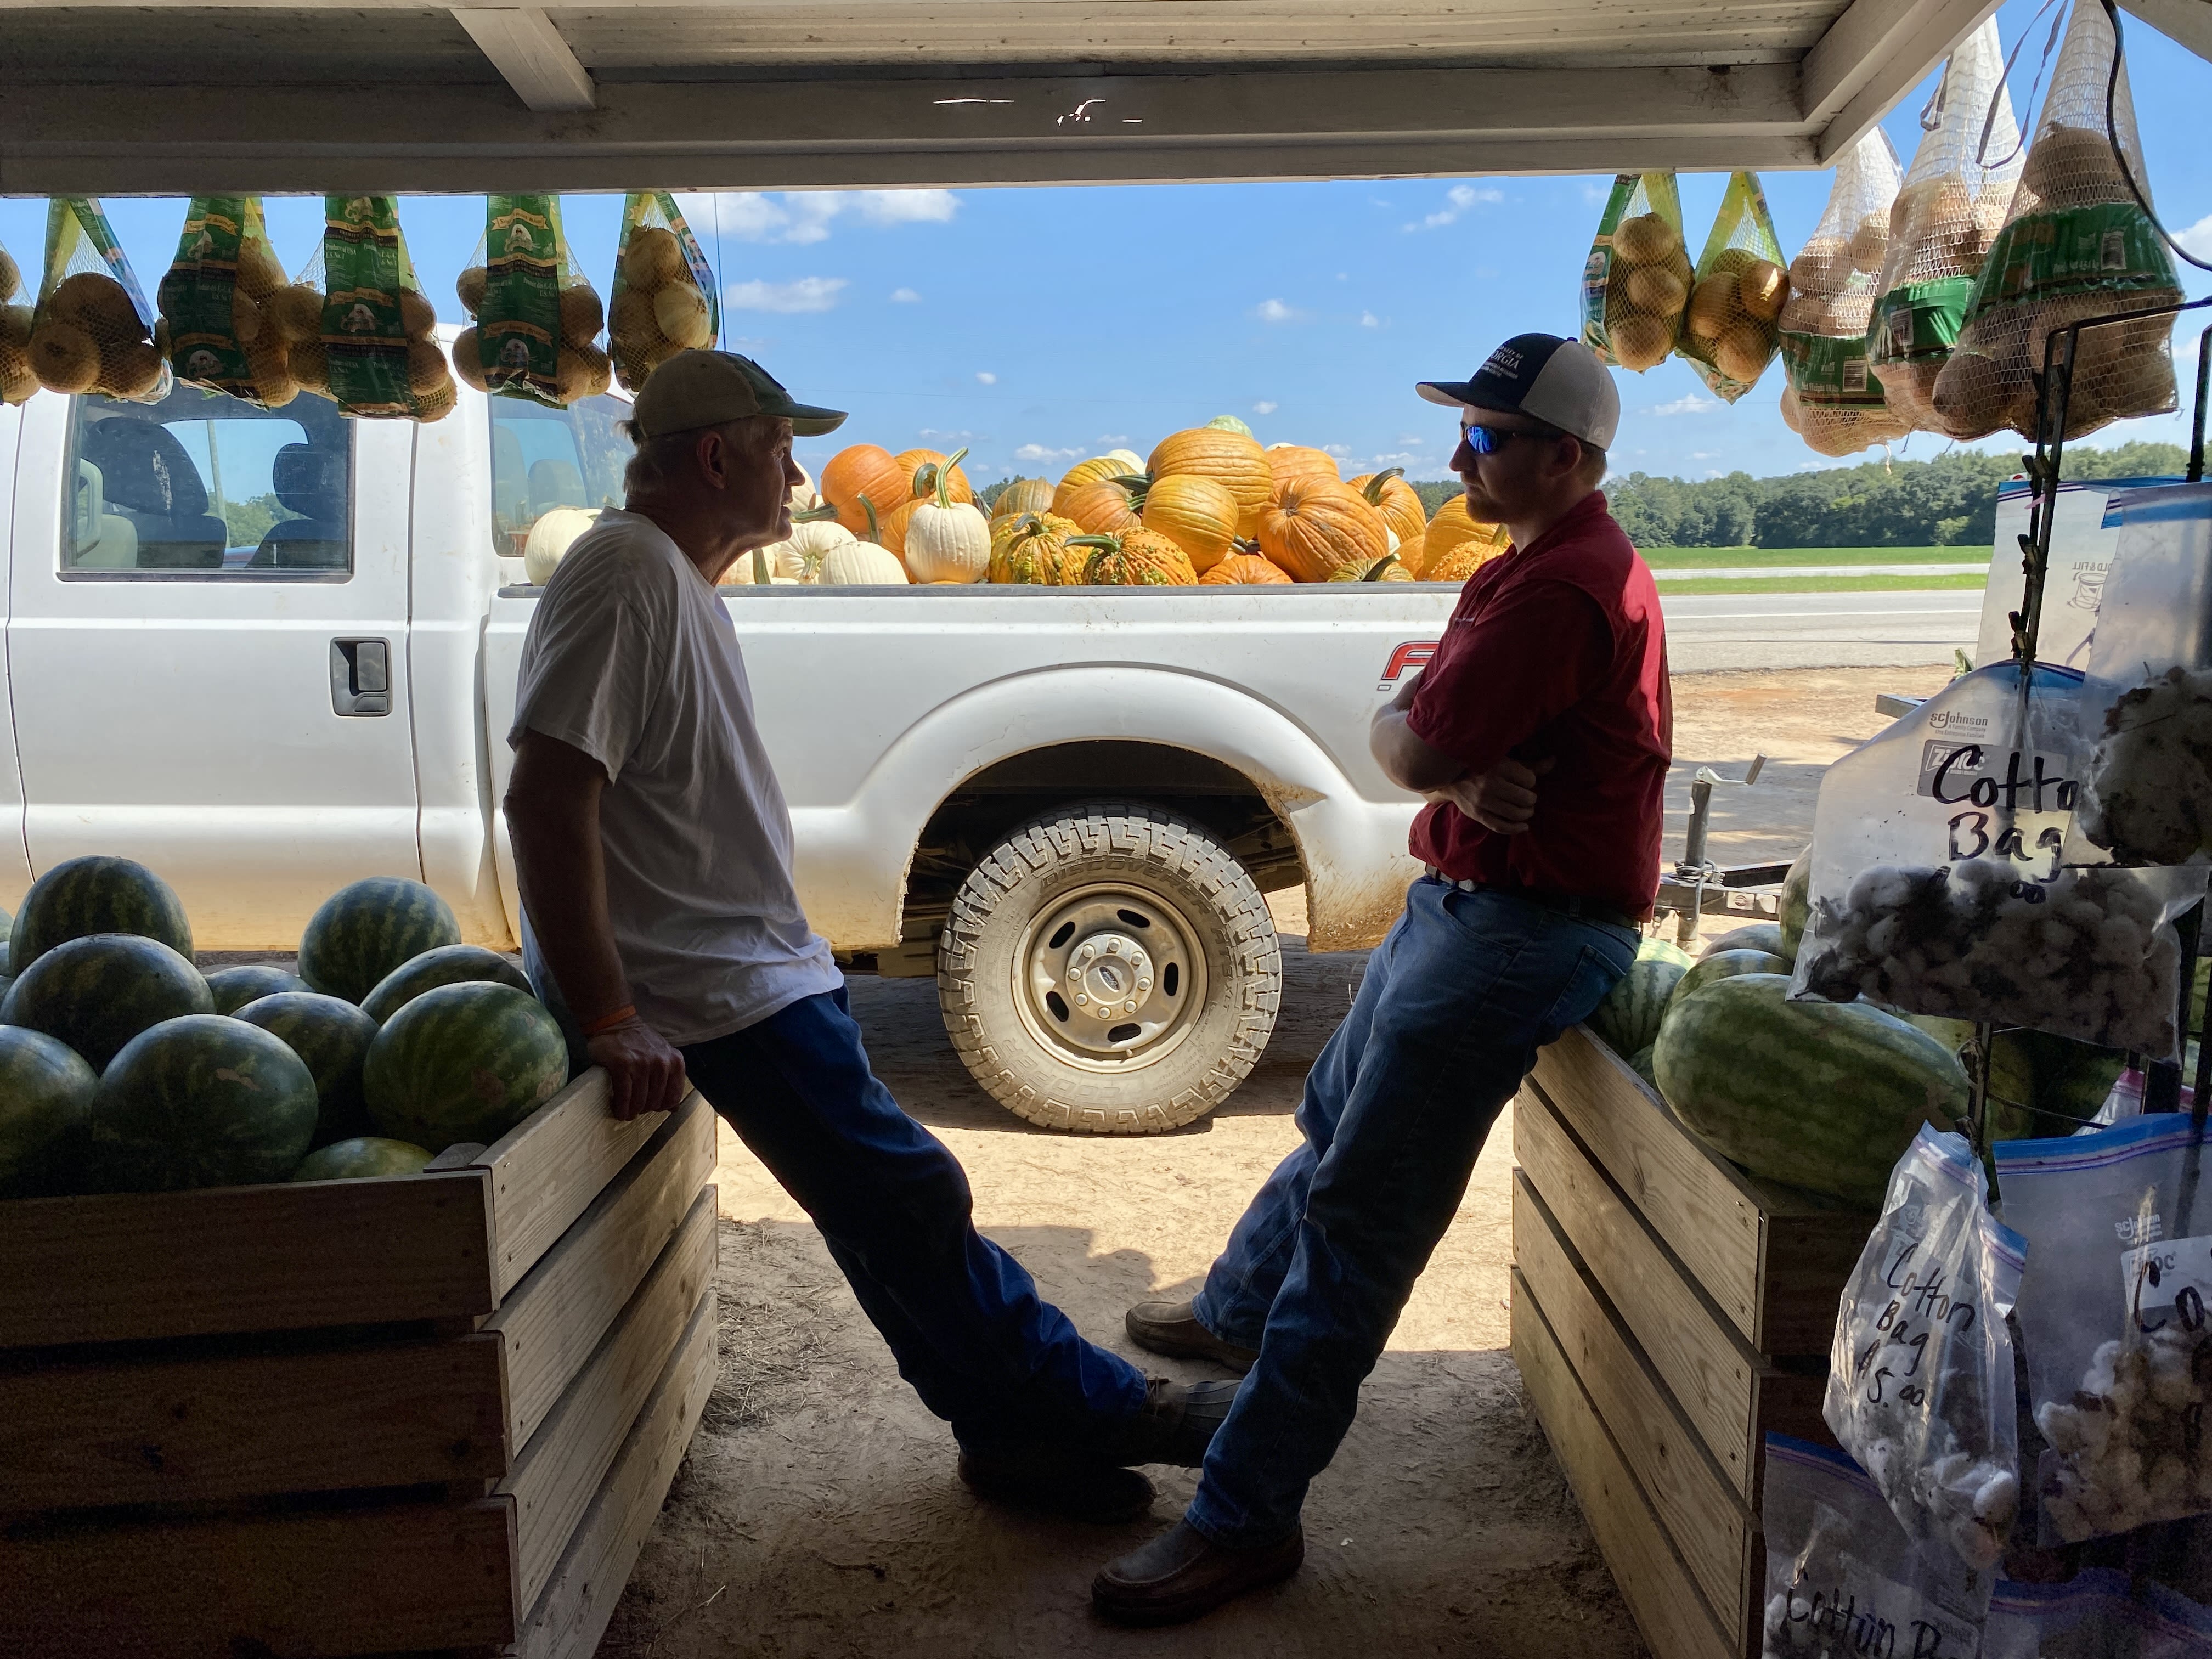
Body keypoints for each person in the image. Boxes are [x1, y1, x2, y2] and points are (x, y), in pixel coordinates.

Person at [501, 349, 1234, 1525]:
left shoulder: (671, 576)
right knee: (907, 1197)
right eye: (782, 449)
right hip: (710, 987)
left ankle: (1012, 1442)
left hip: (746, 969)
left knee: (888, 1216)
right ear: (716, 454)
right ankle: (1100, 1411)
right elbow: (546, 798)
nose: (798, 477)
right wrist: (608, 1014)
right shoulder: (625, 574)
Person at [1092, 332, 1672, 1624]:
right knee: (1332, 1122)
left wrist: (1434, 760)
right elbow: (1401, 728)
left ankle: (1245, 1519)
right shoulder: (1521, 568)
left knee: (1363, 1219)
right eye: (1468, 428)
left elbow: (1403, 750)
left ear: (1566, 456)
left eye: (1491, 436)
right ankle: (1241, 1314)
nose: (1464, 452)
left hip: (1523, 929)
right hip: (1470, 900)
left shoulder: (1564, 590)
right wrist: (1452, 767)